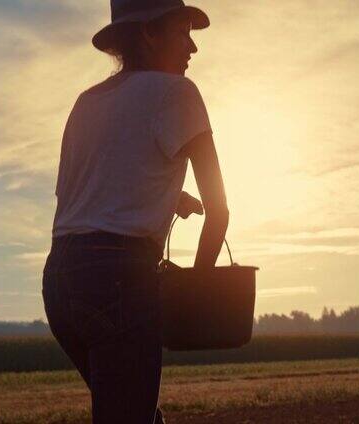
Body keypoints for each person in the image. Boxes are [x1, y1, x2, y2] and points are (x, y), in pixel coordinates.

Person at [41, 1, 228, 422]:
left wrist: (169, 197)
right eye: (183, 32)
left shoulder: (86, 102)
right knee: (129, 411)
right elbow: (220, 212)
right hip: (119, 281)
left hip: (60, 283)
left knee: (130, 410)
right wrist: (197, 298)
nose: (192, 48)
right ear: (149, 33)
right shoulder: (179, 92)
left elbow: (92, 195)